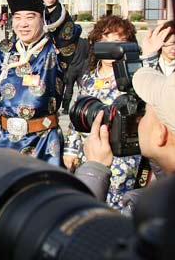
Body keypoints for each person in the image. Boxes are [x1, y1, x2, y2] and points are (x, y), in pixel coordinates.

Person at [75, 26, 175, 212]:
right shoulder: (89, 77)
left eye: (143, 114)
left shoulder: (145, 209)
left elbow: (80, 225)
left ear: (161, 134)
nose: (137, 119)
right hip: (97, 149)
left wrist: (94, 171)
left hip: (125, 167)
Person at [0, 0, 81, 166]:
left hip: (43, 142)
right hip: (5, 142)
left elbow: (69, 35)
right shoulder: (4, 51)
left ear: (42, 19)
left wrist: (51, 4)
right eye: (17, 18)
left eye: (30, 17)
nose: (23, 24)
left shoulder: (55, 49)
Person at [63, 16, 141, 210]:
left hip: (123, 158)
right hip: (90, 153)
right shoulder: (88, 78)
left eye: (117, 42)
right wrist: (71, 150)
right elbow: (77, 116)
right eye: (104, 41)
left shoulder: (135, 78)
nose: (110, 48)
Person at [61, 37, 89, 114]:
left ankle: (66, 108)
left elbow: (65, 57)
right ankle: (81, 107)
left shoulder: (70, 43)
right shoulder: (85, 42)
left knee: (68, 89)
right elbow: (88, 55)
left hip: (71, 69)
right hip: (82, 69)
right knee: (82, 89)